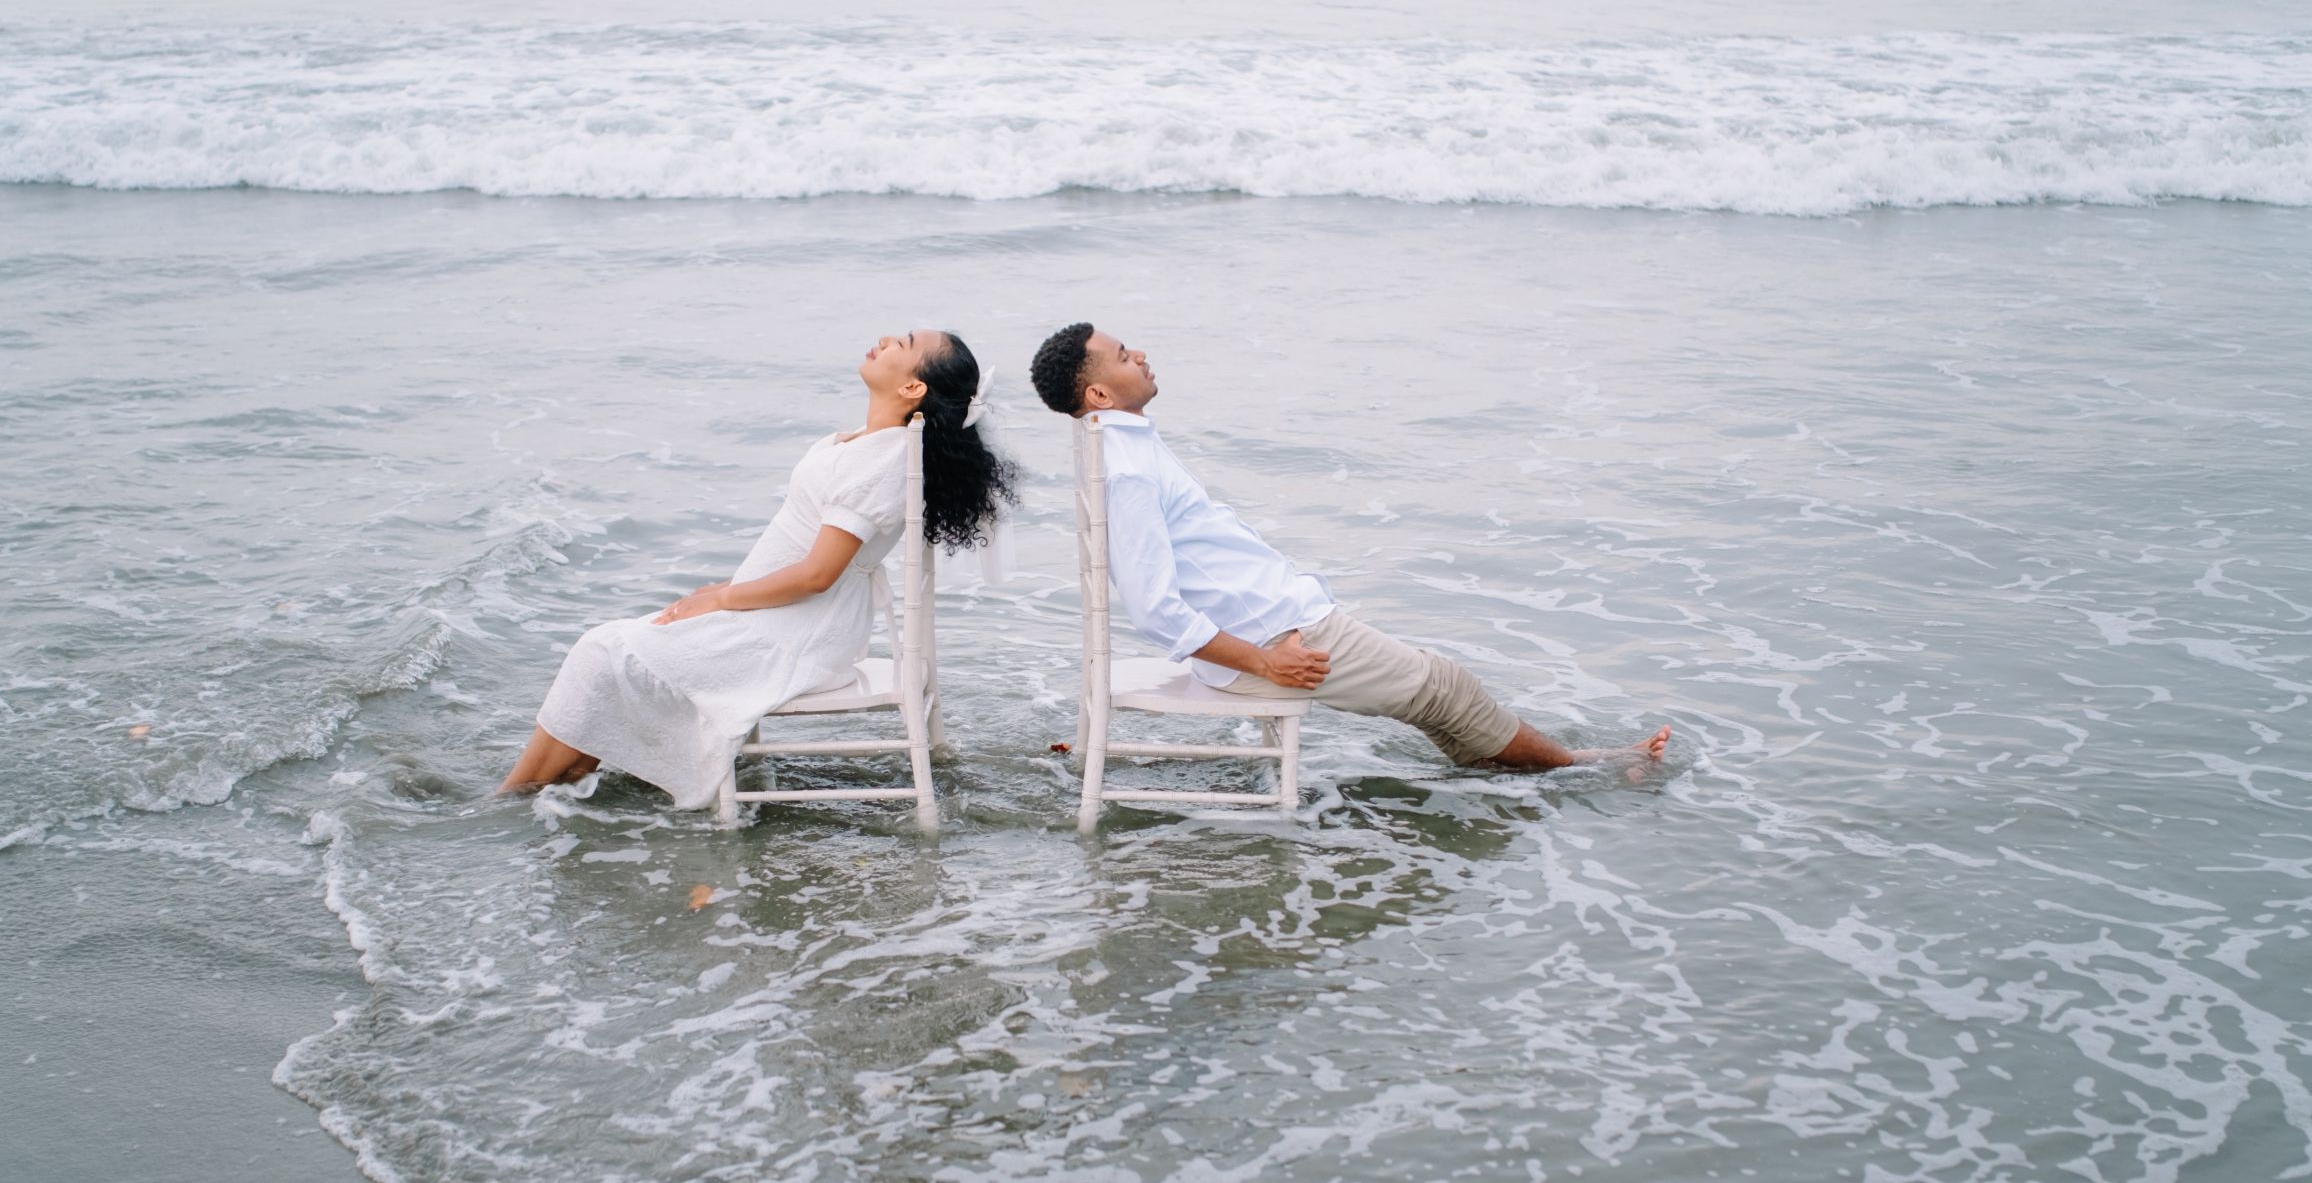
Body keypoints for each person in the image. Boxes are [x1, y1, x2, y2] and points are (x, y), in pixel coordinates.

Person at [1028, 323, 1669, 774]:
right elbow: (1155, 610)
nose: (1140, 354)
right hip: (1273, 640)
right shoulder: (1128, 468)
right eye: (1122, 355)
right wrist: (1265, 663)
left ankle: (1513, 772)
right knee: (1448, 688)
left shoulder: (1120, 445)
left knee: (1438, 698)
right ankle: (1594, 770)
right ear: (1098, 394)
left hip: (1271, 624)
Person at [500, 330, 1016, 805]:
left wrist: (722, 599)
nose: (885, 339)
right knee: (617, 650)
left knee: (602, 650)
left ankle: (516, 796)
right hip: (781, 616)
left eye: (903, 342)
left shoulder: (880, 463)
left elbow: (817, 574)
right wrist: (727, 588)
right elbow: (797, 547)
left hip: (799, 635)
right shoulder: (866, 442)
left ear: (912, 387)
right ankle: (559, 782)